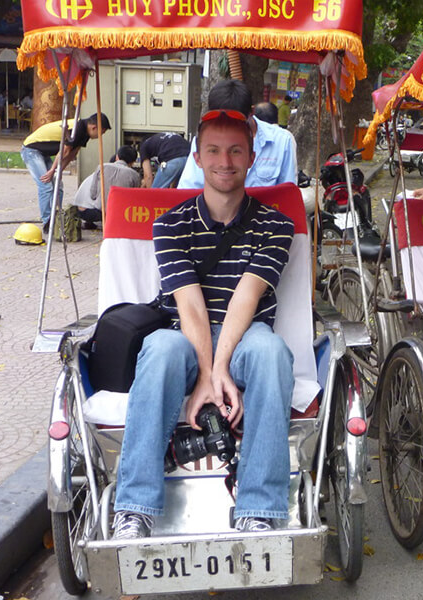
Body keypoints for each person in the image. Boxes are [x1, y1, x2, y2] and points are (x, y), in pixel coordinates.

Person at [112, 109, 296, 539]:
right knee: (158, 349)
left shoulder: (276, 224)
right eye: (213, 150)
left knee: (271, 353)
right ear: (197, 156)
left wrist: (216, 373)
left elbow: (245, 298)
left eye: (235, 151)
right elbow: (190, 306)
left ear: (252, 158)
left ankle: (260, 509)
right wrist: (206, 378)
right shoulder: (170, 224)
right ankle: (135, 508)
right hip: (183, 331)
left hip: (246, 331)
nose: (224, 161)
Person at [178, 80, 297, 189]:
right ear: (197, 158)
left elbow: (287, 195)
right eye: (214, 150)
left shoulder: (281, 140)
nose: (226, 164)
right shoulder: (203, 140)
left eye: (236, 122)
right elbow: (189, 188)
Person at [20, 113, 111, 231]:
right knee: (46, 184)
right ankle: (48, 222)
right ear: (94, 127)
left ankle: (57, 217)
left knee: (58, 185)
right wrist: (53, 170)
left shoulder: (85, 133)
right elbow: (64, 151)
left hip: (44, 152)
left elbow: (73, 153)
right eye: (101, 132)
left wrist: (59, 171)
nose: (100, 136)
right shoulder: (78, 128)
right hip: (31, 149)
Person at [73, 145, 140, 229]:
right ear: (133, 162)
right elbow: (133, 200)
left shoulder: (102, 167)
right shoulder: (134, 175)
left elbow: (93, 194)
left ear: (117, 157)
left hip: (86, 212)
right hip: (116, 214)